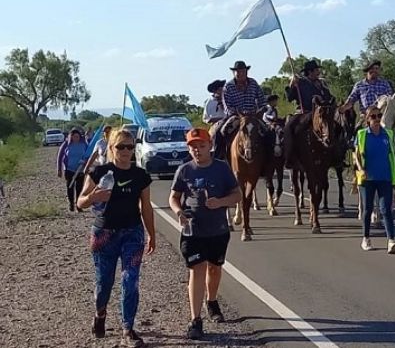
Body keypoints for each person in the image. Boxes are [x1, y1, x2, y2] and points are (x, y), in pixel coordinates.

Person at [77, 129, 156, 348]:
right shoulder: (99, 172)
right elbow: (80, 203)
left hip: (132, 233)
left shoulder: (141, 175)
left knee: (130, 280)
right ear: (111, 148)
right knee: (104, 284)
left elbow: (146, 207)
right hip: (104, 235)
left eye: (130, 147)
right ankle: (100, 313)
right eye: (120, 146)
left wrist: (152, 234)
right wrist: (93, 197)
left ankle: (128, 329)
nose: (125, 151)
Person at [169, 128, 242, 340]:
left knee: (214, 269)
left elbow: (236, 194)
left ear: (210, 146)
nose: (197, 150)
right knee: (196, 270)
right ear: (188, 149)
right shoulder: (184, 170)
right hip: (193, 230)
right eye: (193, 147)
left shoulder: (222, 168)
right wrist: (178, 211)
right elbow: (174, 197)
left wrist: (220, 202)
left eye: (201, 146)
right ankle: (196, 319)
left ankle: (212, 300)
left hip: (217, 230)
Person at [354, 106, 395, 254]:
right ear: (368, 119)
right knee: (368, 209)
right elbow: (356, 155)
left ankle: (391, 241)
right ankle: (366, 238)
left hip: (385, 177)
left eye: (379, 116)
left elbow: (393, 155)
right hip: (368, 179)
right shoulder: (362, 134)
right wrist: (361, 169)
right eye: (373, 116)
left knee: (386, 210)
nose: (376, 119)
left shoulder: (388, 134)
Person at [283, 59, 334, 167]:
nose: (318, 72)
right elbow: (290, 98)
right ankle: (289, 157)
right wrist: (291, 85)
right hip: (304, 112)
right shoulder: (300, 83)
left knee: (337, 126)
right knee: (288, 127)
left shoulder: (322, 83)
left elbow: (329, 97)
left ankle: (337, 156)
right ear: (310, 72)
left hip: (321, 113)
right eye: (316, 70)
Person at [213, 61, 268, 160]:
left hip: (253, 116)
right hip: (235, 116)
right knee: (219, 132)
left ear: (246, 72)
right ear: (234, 73)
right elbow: (227, 106)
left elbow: (262, 99)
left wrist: (261, 109)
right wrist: (237, 114)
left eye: (242, 71)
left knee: (269, 132)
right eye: (237, 72)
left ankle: (270, 160)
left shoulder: (253, 83)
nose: (240, 74)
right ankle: (217, 159)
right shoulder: (228, 86)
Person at [57, 128, 89, 212]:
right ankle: (71, 203)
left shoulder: (84, 144)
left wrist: (86, 162)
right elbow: (60, 157)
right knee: (70, 187)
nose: (76, 138)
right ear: (71, 137)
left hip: (80, 170)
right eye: (74, 136)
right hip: (69, 169)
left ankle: (78, 205)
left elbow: (88, 155)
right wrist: (59, 169)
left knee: (79, 188)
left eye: (77, 136)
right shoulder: (66, 144)